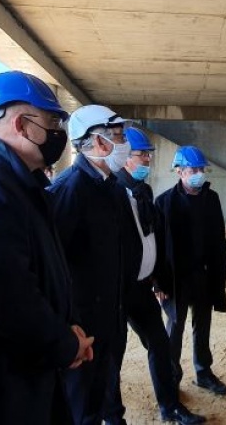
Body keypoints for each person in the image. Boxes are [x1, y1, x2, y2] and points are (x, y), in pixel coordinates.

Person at [0, 70, 94, 424]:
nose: (58, 133)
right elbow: (4, 297)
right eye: (52, 121)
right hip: (10, 379)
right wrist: (64, 344)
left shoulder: (26, 187)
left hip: (40, 364)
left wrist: (70, 328)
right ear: (21, 124)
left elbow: (49, 272)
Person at [105, 127, 206, 424]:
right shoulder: (109, 193)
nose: (148, 160)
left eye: (149, 154)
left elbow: (153, 239)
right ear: (124, 158)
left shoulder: (144, 190)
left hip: (140, 288)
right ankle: (113, 418)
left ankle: (170, 406)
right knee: (112, 357)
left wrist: (158, 279)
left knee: (159, 344)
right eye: (142, 155)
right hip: (113, 292)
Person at [49, 105, 142, 425]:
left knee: (108, 391)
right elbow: (52, 265)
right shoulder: (69, 190)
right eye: (118, 135)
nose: (124, 142)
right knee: (83, 407)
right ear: (99, 142)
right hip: (83, 327)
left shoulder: (113, 187)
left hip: (112, 319)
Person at [155, 146, 226, 397]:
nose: (198, 174)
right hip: (176, 278)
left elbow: (219, 238)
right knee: (175, 328)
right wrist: (158, 283)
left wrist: (222, 273)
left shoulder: (212, 198)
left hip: (205, 275)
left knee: (203, 325)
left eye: (201, 169)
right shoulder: (164, 202)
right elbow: (157, 245)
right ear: (179, 171)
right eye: (193, 169)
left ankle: (203, 373)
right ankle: (171, 378)